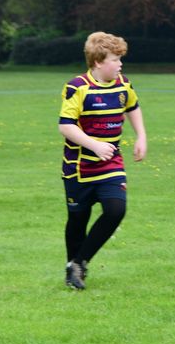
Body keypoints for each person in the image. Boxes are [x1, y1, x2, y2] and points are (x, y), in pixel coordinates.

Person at [58, 32, 147, 290]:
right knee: (78, 219)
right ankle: (72, 268)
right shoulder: (77, 87)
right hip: (78, 167)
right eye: (115, 59)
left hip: (110, 164)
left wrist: (141, 136)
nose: (120, 65)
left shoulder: (123, 84)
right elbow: (66, 126)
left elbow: (133, 107)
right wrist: (94, 145)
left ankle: (80, 262)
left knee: (115, 210)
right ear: (98, 62)